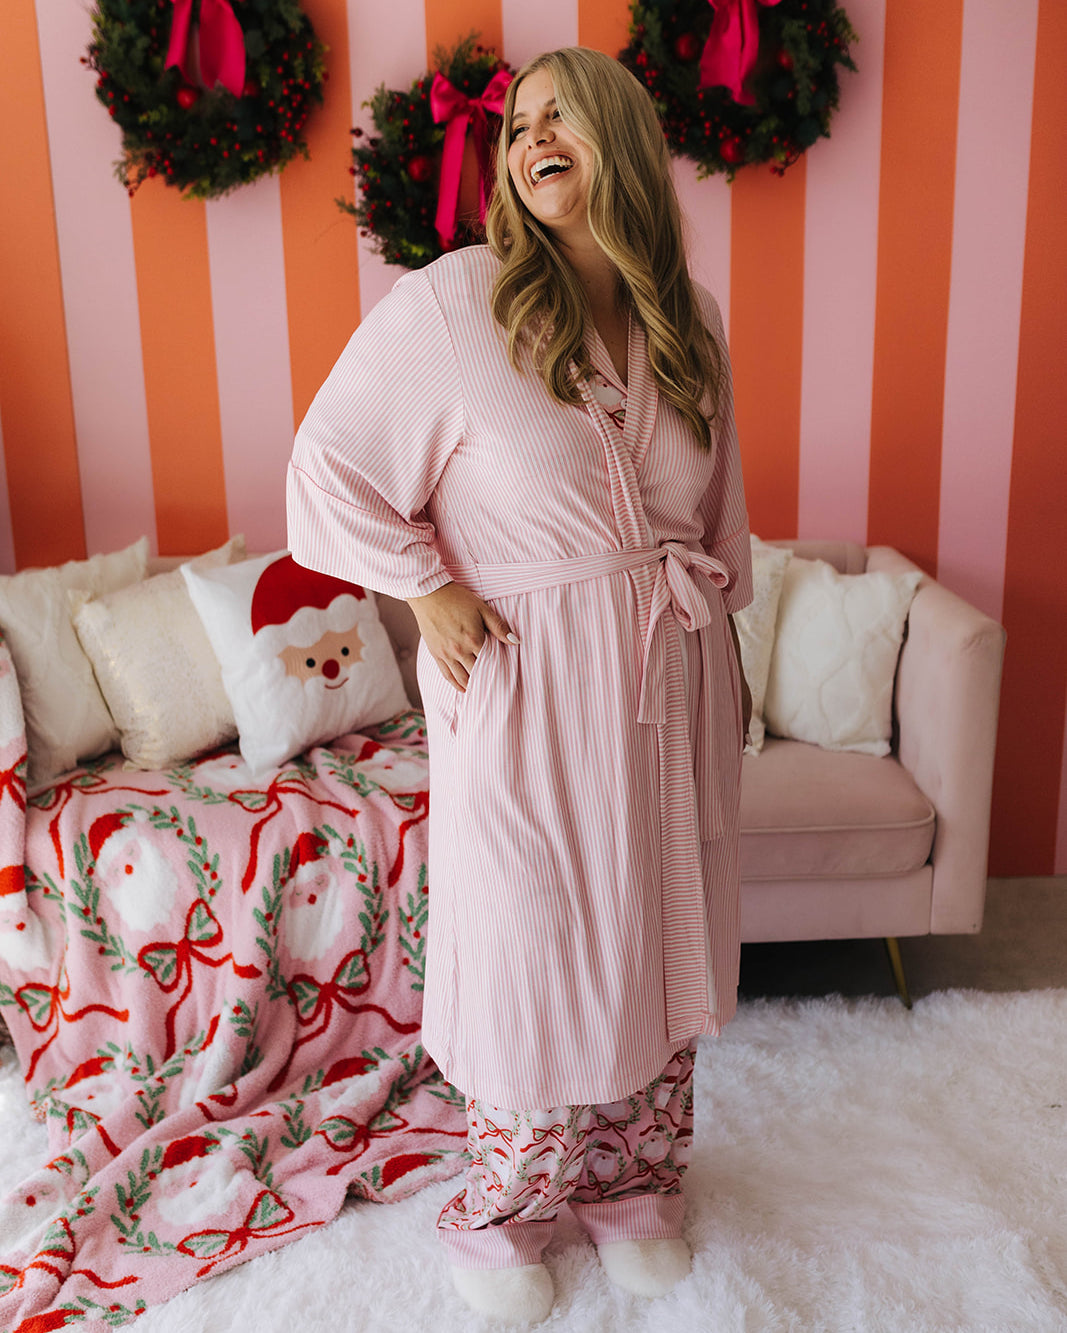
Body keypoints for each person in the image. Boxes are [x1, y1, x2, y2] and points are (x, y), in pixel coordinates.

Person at [287, 45, 752, 1327]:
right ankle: (506, 1214)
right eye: (517, 124)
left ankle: (634, 1189)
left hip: (673, 667)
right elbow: (327, 467)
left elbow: (717, 511)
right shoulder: (457, 304)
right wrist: (421, 582)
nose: (532, 136)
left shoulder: (688, 314)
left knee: (661, 928)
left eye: (562, 114)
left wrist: (734, 659)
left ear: (621, 136)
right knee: (538, 942)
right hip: (525, 683)